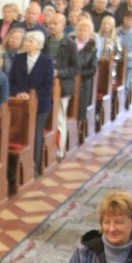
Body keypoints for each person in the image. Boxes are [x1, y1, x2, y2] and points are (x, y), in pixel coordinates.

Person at [9, 30, 54, 177]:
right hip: (20, 105)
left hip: (40, 105)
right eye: (27, 41)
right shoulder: (19, 58)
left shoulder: (46, 62)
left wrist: (32, 97)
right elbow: (11, 80)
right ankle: (15, 169)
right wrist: (18, 93)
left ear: (39, 45)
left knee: (35, 133)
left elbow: (48, 86)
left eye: (31, 41)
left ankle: (33, 166)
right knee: (18, 133)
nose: (27, 44)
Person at [45, 13, 80, 159]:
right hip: (46, 86)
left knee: (59, 118)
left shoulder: (70, 44)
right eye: (50, 23)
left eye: (55, 23)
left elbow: (75, 68)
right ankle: (46, 149)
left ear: (63, 26)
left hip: (63, 87)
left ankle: (60, 150)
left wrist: (58, 72)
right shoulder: (45, 42)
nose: (52, 26)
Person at [73, 19, 98, 123]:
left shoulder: (92, 49)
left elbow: (93, 69)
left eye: (85, 30)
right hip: (68, 81)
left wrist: (78, 75)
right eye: (80, 30)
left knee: (80, 109)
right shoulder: (69, 44)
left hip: (83, 83)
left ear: (89, 33)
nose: (82, 32)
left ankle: (78, 127)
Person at [117, 12, 132, 93]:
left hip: (129, 63)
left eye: (131, 20)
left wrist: (127, 55)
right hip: (118, 61)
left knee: (126, 84)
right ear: (124, 19)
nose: (128, 21)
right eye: (127, 19)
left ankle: (123, 101)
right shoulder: (117, 31)